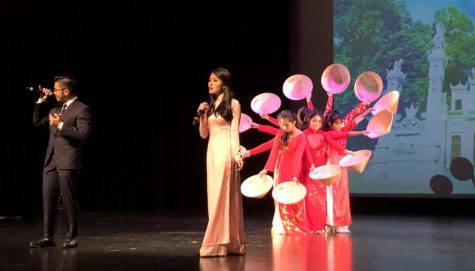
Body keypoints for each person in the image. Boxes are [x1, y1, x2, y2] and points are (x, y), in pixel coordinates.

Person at [30, 75, 92, 248]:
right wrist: (41, 100)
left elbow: (83, 135)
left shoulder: (82, 109)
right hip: (51, 161)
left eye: (56, 90)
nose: (54, 92)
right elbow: (36, 122)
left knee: (68, 200)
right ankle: (47, 236)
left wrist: (61, 126)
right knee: (48, 197)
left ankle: (71, 237)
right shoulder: (54, 110)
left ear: (66, 91)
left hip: (68, 161)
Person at [196, 67, 246, 257]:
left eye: (215, 80)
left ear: (224, 84)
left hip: (226, 152)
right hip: (212, 153)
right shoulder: (208, 106)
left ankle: (215, 242)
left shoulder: (233, 104)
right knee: (214, 197)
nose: (210, 83)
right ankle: (228, 242)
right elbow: (203, 135)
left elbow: (234, 132)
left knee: (222, 196)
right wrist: (202, 116)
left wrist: (237, 154)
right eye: (209, 80)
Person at [259, 110, 311, 235]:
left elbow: (298, 157)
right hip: (280, 169)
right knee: (280, 196)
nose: (284, 127)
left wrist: (295, 175)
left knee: (293, 197)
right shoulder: (280, 134)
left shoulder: (301, 136)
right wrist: (266, 169)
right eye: (281, 124)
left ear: (294, 122)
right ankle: (280, 224)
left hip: (293, 170)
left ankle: (295, 224)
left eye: (286, 124)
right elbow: (274, 153)